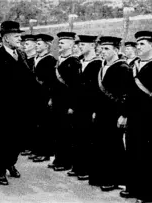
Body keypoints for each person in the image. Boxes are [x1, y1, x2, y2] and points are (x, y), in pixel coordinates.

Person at [0, 21, 37, 185]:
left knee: (18, 140)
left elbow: (28, 79)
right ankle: (0, 172)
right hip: (1, 107)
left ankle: (10, 162)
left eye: (20, 35)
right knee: (2, 140)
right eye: (16, 36)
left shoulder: (21, 55)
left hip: (21, 107)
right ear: (5, 39)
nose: (20, 38)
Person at [121, 31, 152, 202]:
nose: (138, 47)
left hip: (151, 119)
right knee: (133, 152)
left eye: (142, 44)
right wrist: (124, 114)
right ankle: (133, 187)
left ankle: (147, 193)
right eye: (137, 44)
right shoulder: (134, 66)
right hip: (133, 117)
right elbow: (127, 93)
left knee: (148, 156)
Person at [93, 36, 132, 191]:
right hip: (102, 112)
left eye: (107, 48)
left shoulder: (122, 68)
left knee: (114, 145)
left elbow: (126, 93)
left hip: (115, 113)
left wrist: (123, 114)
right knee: (102, 144)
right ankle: (102, 176)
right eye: (102, 48)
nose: (103, 51)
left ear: (116, 50)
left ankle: (115, 179)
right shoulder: (103, 66)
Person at [68, 35, 103, 181]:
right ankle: (78, 166)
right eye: (79, 44)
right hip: (78, 106)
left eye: (83, 44)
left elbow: (98, 90)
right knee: (77, 136)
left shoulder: (98, 64)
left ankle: (86, 169)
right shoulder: (80, 62)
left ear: (92, 46)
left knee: (88, 138)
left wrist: (96, 109)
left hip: (90, 106)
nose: (80, 47)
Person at [48, 32, 81, 172]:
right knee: (57, 132)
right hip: (57, 102)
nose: (59, 45)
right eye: (59, 42)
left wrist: (72, 105)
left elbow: (76, 87)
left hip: (67, 104)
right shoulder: (59, 60)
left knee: (66, 133)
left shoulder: (74, 62)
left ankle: (66, 162)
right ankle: (58, 158)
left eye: (62, 42)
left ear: (71, 44)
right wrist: (51, 98)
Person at [30, 34, 57, 163]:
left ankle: (45, 152)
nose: (36, 45)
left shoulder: (50, 60)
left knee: (44, 125)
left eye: (39, 44)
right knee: (36, 123)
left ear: (47, 45)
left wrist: (51, 97)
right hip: (35, 96)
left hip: (44, 96)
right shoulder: (35, 58)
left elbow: (52, 82)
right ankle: (36, 149)